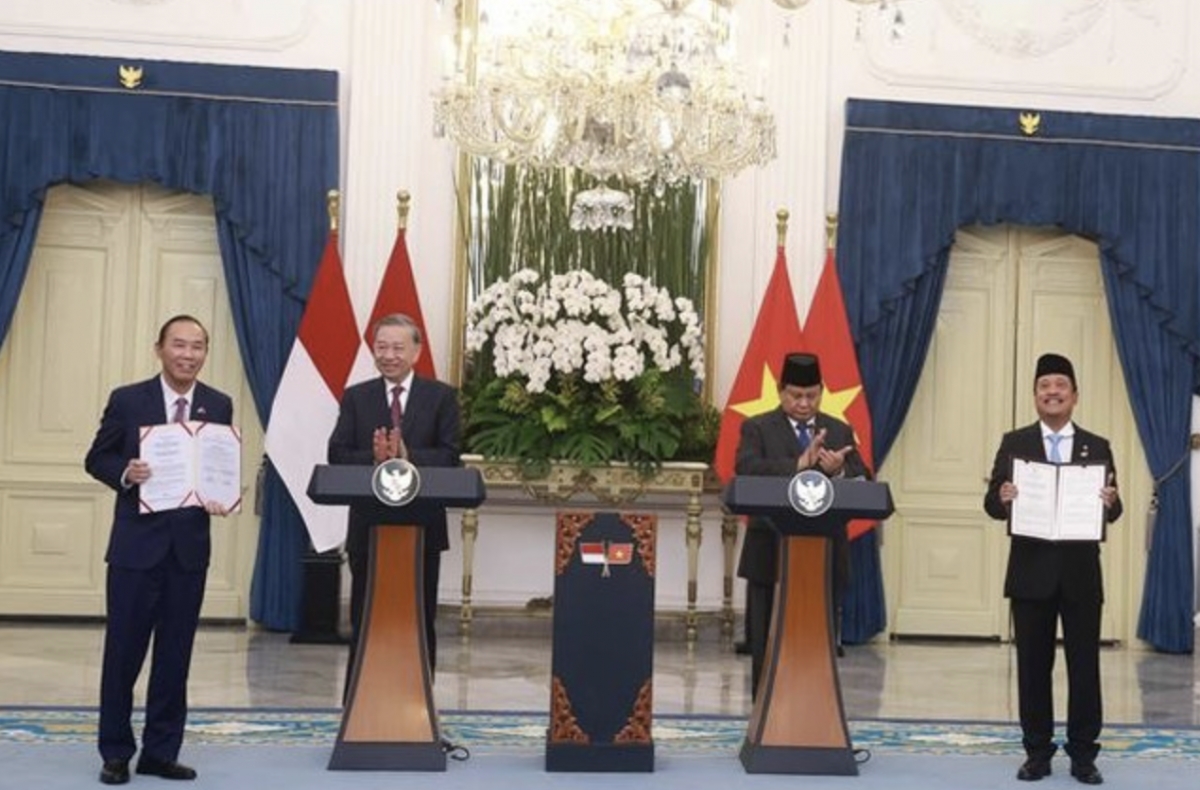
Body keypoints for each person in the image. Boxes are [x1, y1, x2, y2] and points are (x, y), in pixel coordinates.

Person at [85, 315, 234, 785]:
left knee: (175, 657)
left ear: (205, 353)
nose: (188, 355)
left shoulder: (218, 404)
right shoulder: (128, 400)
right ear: (160, 349)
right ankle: (115, 752)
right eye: (179, 345)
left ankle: (161, 752)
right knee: (122, 655)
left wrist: (221, 495)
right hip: (135, 550)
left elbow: (218, 466)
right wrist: (126, 473)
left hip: (188, 552)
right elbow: (97, 458)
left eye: (197, 347)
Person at [983, 353, 1121, 786]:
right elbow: (991, 504)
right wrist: (1002, 496)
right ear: (1035, 395)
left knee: (1084, 668)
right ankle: (1037, 753)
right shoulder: (1015, 442)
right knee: (1032, 668)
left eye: (1061, 385)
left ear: (1074, 395)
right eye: (1045, 385)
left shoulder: (1098, 446)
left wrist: (1111, 501)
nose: (1053, 392)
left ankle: (1083, 755)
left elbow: (1114, 509)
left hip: (1081, 576)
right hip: (1030, 575)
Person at [328, 313, 461, 690]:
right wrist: (374, 459)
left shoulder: (441, 397)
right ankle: (360, 704)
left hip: (422, 530)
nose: (388, 355)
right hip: (369, 529)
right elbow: (337, 453)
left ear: (416, 352)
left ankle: (418, 704)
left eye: (398, 348)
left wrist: (408, 455)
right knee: (366, 618)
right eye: (381, 347)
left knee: (419, 619)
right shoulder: (357, 397)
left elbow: (451, 456)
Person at [734, 352, 868, 699]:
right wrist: (798, 464)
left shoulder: (838, 429)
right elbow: (747, 470)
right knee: (766, 641)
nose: (804, 403)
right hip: (769, 553)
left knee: (817, 643)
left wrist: (839, 470)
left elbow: (864, 478)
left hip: (825, 555)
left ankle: (816, 707)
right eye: (796, 395)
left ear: (821, 391)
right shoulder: (757, 427)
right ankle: (765, 708)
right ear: (781, 391)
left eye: (812, 395)